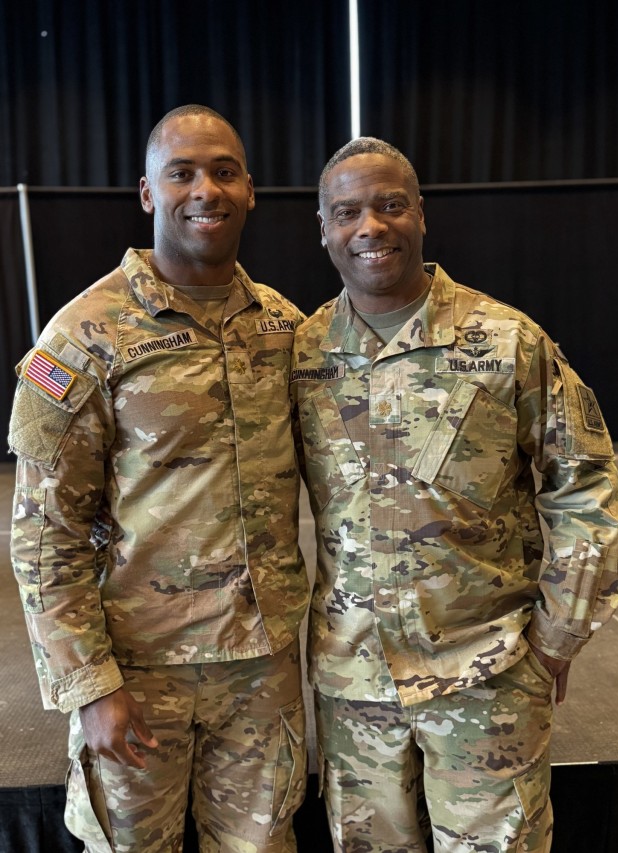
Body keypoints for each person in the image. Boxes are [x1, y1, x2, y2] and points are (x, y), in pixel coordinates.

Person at [290, 137, 618, 853]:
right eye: (347, 212)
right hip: (356, 685)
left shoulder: (507, 340)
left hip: (489, 675)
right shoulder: (302, 351)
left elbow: (587, 484)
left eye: (390, 206)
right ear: (322, 228)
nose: (370, 228)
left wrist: (556, 638)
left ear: (421, 215)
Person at [9, 104, 309, 853]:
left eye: (224, 171)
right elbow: (45, 533)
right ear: (148, 194)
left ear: (250, 192)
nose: (204, 189)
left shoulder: (282, 327)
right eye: (181, 172)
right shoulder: (84, 336)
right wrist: (91, 685)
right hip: (141, 674)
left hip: (260, 670)